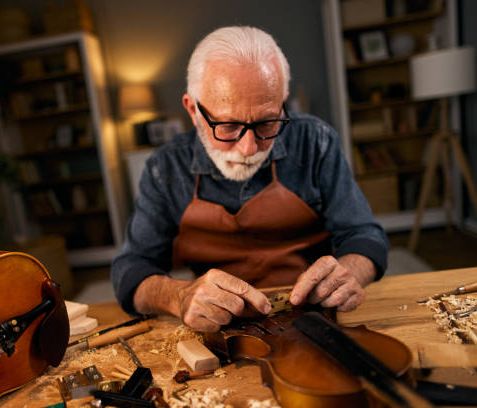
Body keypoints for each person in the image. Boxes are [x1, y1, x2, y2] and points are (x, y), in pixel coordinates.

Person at [111, 26, 389, 332]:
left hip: (313, 318)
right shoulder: (165, 167)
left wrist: (349, 271)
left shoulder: (316, 141)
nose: (248, 148)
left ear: (283, 101)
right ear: (193, 110)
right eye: (228, 126)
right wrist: (179, 296)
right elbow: (130, 270)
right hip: (221, 326)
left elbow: (365, 236)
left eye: (267, 122)